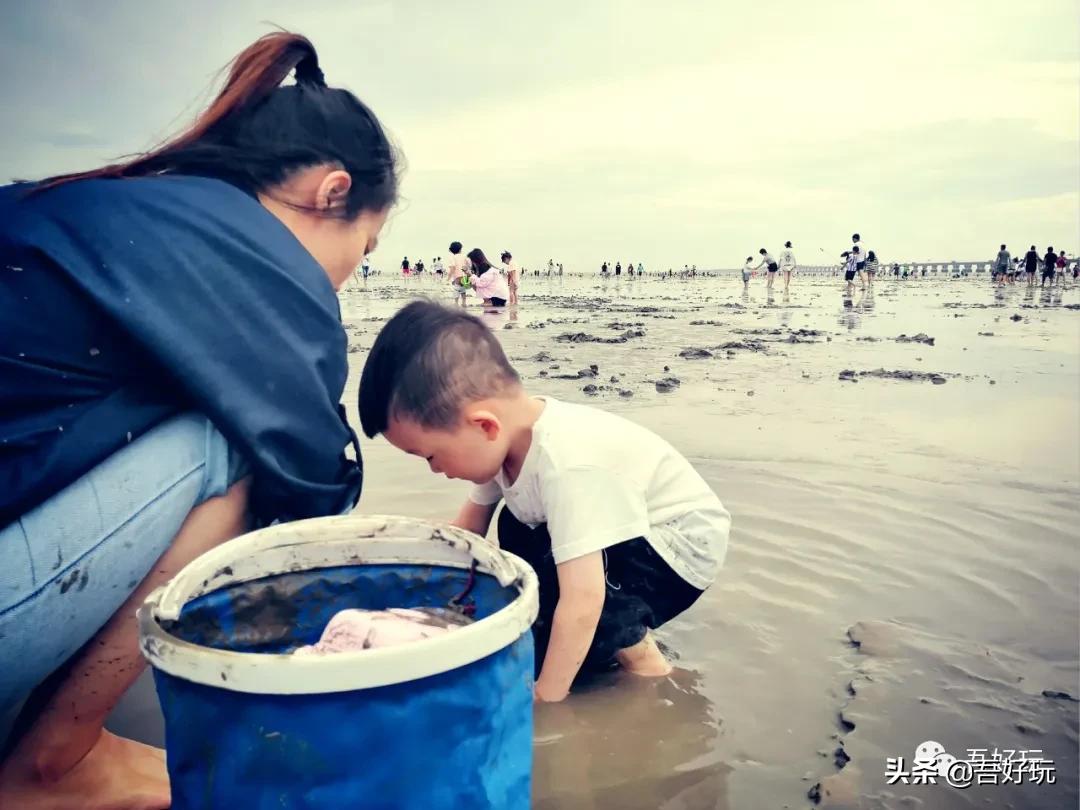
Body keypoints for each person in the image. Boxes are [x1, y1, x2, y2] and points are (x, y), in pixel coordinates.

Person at [0, 31, 395, 808]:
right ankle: (56, 763)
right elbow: (315, 483)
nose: (352, 274)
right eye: (367, 245)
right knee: (239, 448)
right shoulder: (262, 266)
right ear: (333, 192)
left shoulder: (116, 208)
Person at [357, 302, 731, 703]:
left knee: (581, 597)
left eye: (431, 456)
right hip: (624, 525)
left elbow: (584, 598)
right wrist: (413, 589)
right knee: (518, 531)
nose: (434, 469)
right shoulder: (502, 443)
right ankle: (598, 640)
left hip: (677, 546)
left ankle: (647, 665)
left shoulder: (568, 465)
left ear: (484, 425)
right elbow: (468, 535)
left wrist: (548, 697)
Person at [447, 241, 470, 306]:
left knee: (456, 290)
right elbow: (469, 265)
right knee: (463, 290)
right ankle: (464, 303)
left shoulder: (453, 257)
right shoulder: (465, 256)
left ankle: (456, 303)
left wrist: (448, 278)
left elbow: (452, 268)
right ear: (460, 249)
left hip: (457, 277)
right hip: (465, 276)